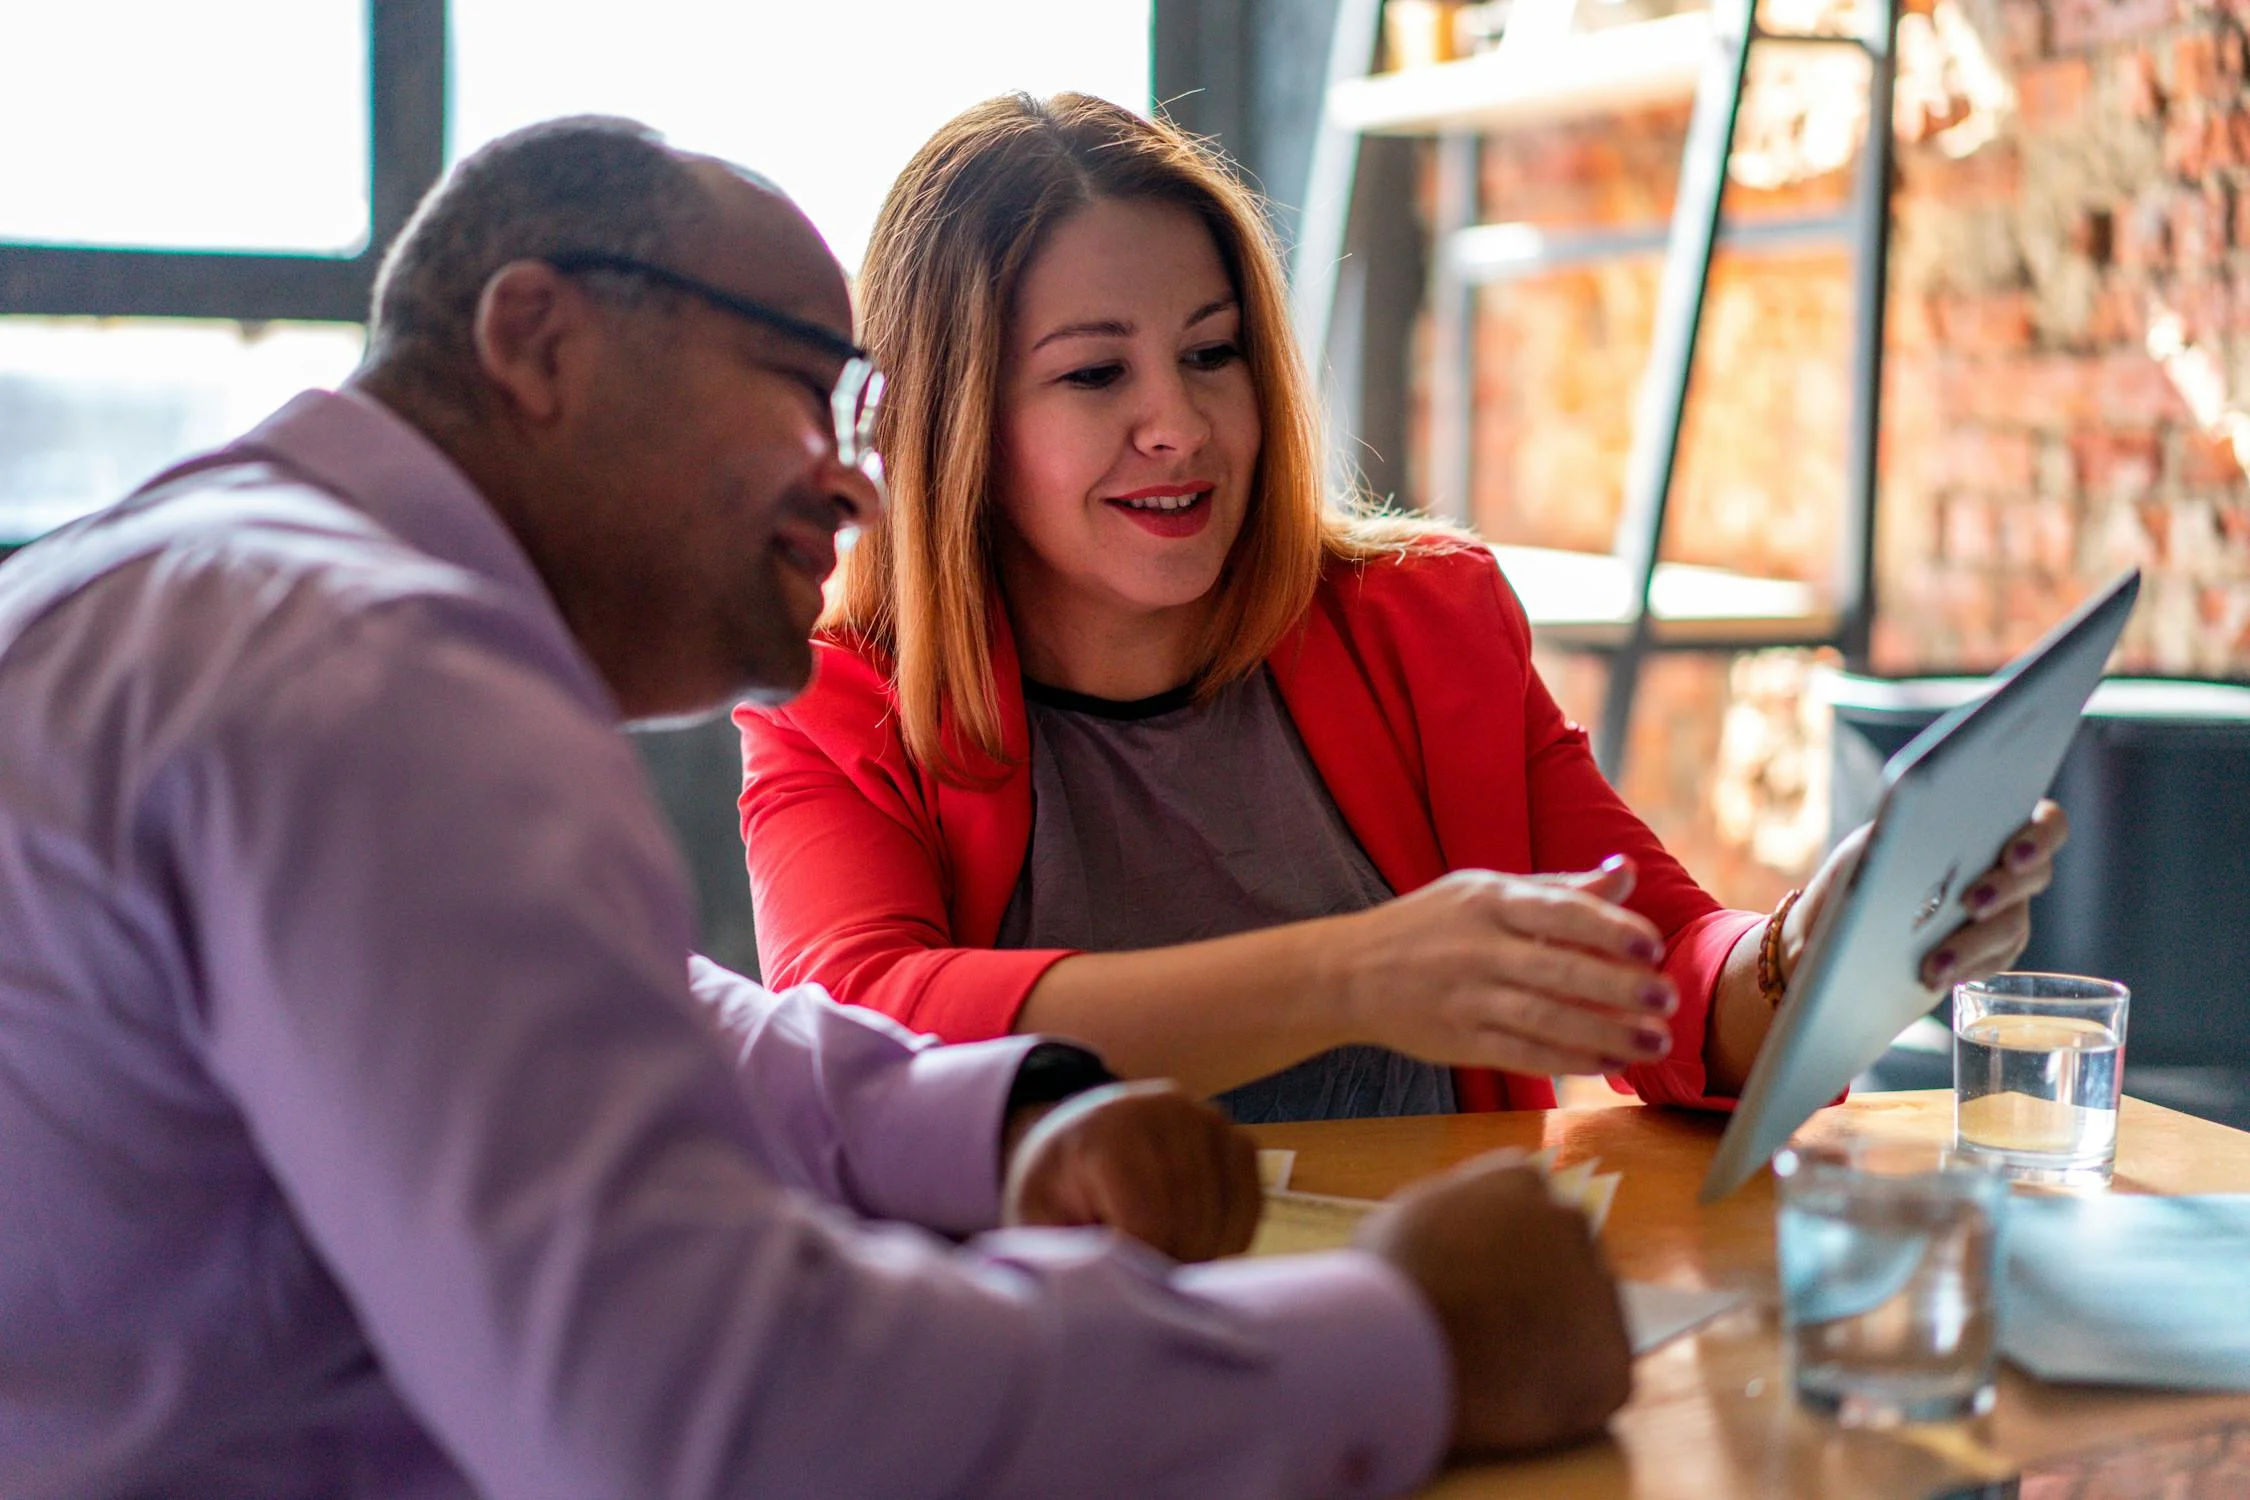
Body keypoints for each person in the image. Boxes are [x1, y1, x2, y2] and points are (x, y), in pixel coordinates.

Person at [0, 116, 1636, 1500]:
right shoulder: (377, 672)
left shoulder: (200, 593)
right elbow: (702, 1407)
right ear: (538, 341)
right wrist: (1401, 1339)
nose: (854, 475)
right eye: (803, 383)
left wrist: (991, 1125)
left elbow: (644, 1017)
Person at [735, 92, 2065, 1122]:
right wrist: (1353, 975)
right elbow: (857, 1030)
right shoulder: (833, 703)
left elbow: (1659, 975)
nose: (1179, 424)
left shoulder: (1420, 624)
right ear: (953, 421)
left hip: (1440, 1341)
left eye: (1213, 354)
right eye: (1094, 376)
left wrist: (1810, 958)